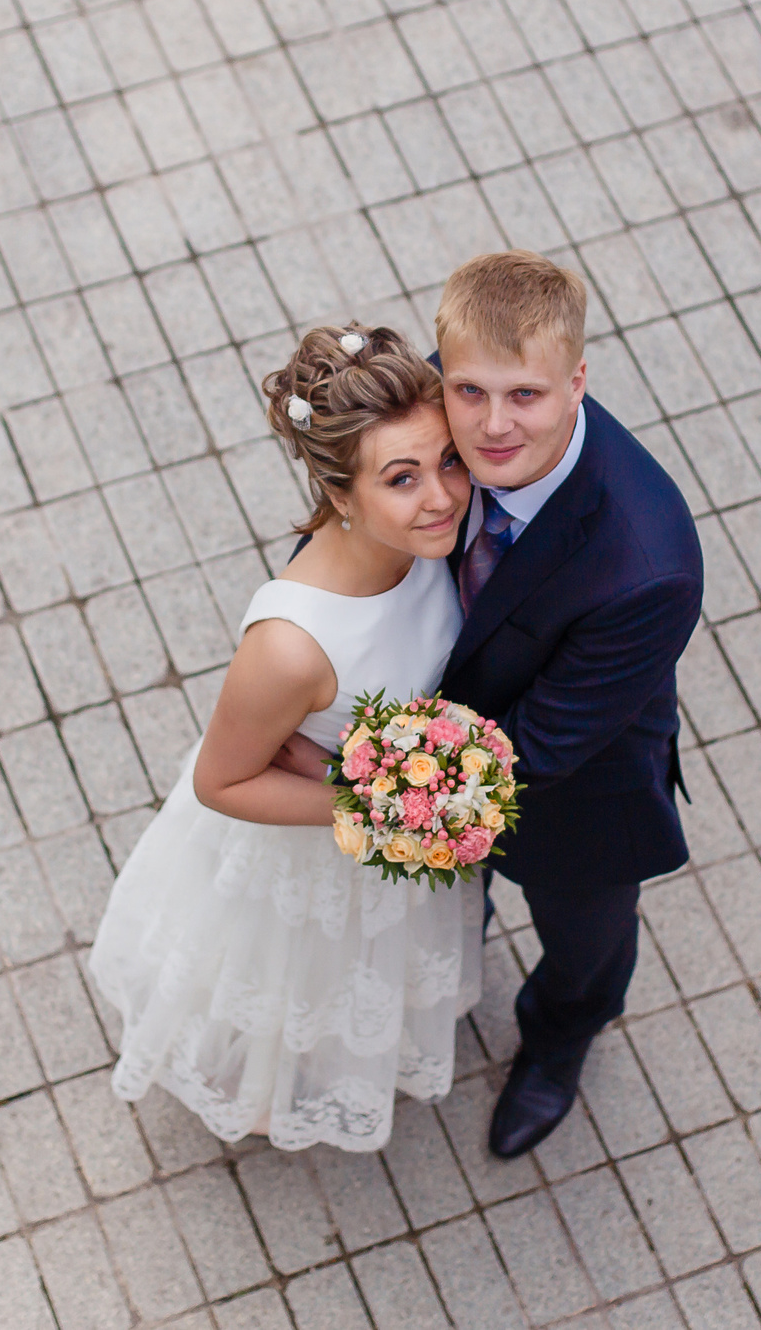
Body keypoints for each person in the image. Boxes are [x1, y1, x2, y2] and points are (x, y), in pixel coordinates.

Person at [88, 323, 478, 1151]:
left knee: (362, 976)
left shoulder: (429, 542)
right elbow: (222, 781)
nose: (442, 495)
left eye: (448, 460)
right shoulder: (293, 646)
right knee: (287, 980)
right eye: (401, 478)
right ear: (341, 494)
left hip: (387, 820)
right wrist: (378, 804)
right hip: (308, 840)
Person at [433, 251, 704, 1158]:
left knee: (587, 944)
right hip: (441, 722)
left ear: (577, 381)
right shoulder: (436, 398)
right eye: (470, 391)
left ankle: (557, 1042)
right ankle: (449, 949)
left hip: (578, 789)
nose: (492, 424)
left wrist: (390, 795)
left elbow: (541, 747)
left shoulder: (648, 564)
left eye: (526, 395)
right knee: (444, 897)